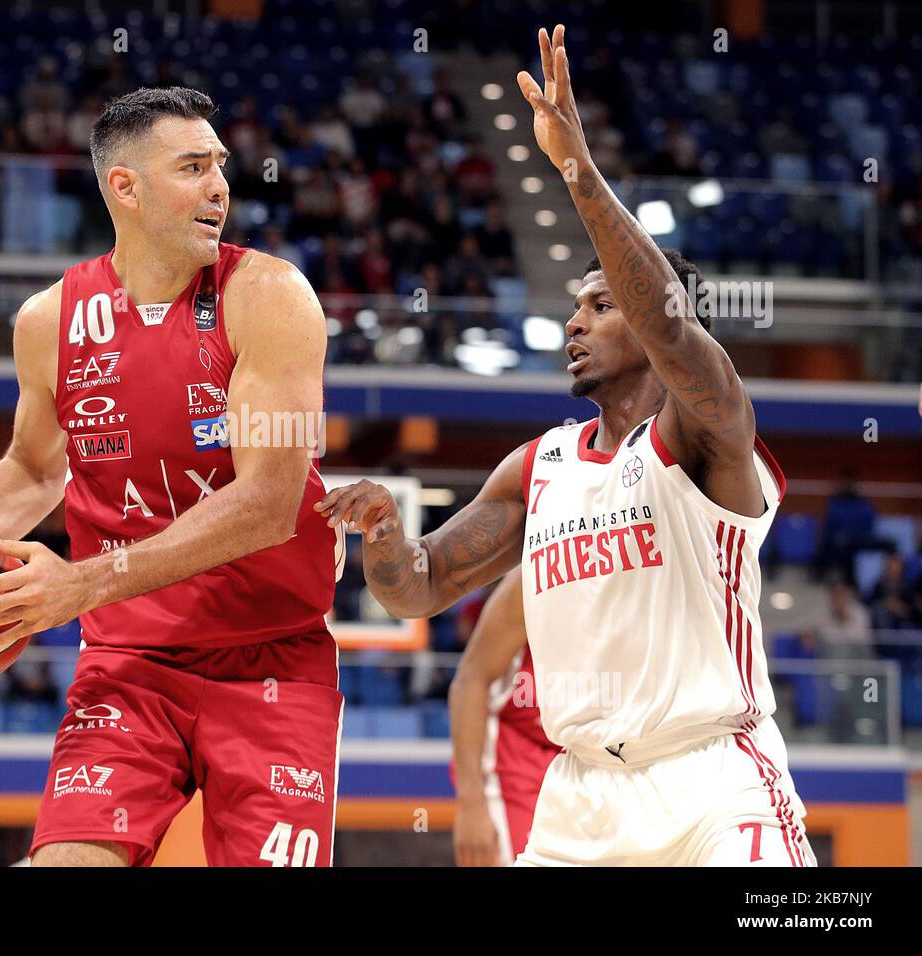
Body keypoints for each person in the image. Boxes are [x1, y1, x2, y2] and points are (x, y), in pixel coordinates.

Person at [317, 25, 814, 867]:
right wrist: (386, 538)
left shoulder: (707, 433)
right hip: (577, 796)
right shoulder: (537, 467)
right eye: (577, 306)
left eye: (599, 305)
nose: (575, 321)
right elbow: (421, 589)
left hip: (713, 787)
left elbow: (667, 319)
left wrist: (579, 173)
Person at [0, 87, 343, 867]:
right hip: (128, 663)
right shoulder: (49, 320)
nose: (221, 186)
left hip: (271, 658)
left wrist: (81, 585)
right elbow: (32, 465)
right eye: (193, 167)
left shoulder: (270, 296)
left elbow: (268, 504)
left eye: (220, 166)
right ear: (125, 187)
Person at [449, 567, 560, 866]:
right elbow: (468, 683)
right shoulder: (533, 577)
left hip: (583, 758)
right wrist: (471, 806)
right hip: (513, 757)